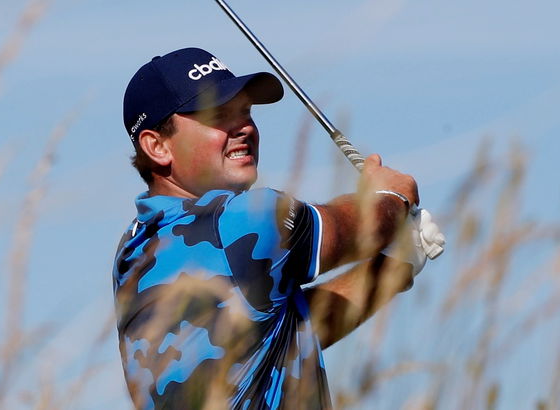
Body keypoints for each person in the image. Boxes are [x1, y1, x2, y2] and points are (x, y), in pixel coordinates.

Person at [113, 47, 444, 409]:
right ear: (157, 146)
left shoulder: (134, 251)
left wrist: (394, 267)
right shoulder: (247, 218)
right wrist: (391, 197)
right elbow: (364, 225)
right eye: (219, 115)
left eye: (245, 112)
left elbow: (281, 334)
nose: (244, 128)